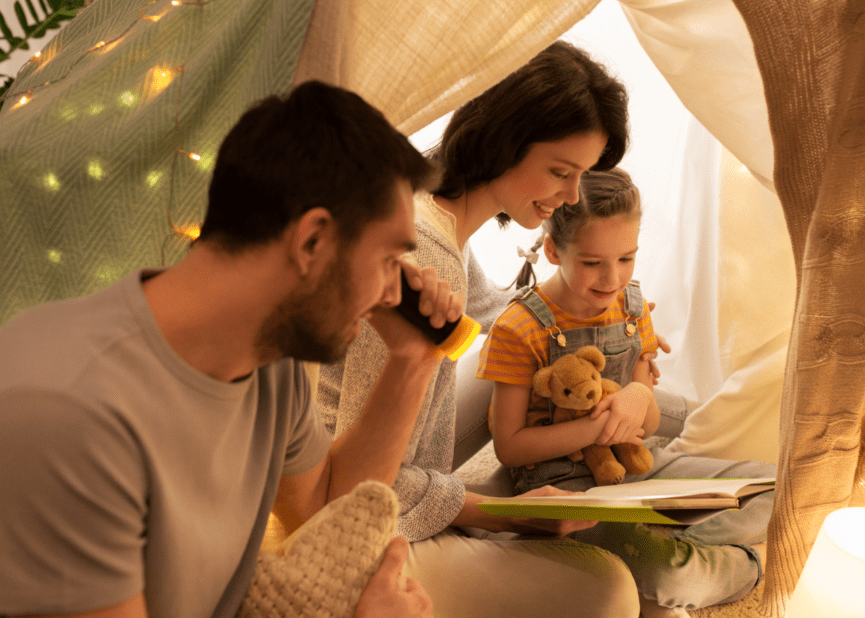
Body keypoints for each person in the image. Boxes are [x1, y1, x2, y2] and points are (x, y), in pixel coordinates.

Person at [0, 81, 461, 618]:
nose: (392, 291)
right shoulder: (68, 414)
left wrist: (412, 361)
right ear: (312, 241)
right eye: (388, 260)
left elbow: (327, 508)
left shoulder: (269, 362)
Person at [315, 40, 643, 617]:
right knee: (611, 590)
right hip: (339, 528)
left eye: (582, 175)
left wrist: (622, 357)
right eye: (561, 173)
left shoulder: (422, 203)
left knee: (518, 364)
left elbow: (496, 317)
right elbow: (362, 490)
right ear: (502, 142)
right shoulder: (427, 253)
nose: (571, 197)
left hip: (375, 467)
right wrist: (501, 512)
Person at [477, 167, 776, 617]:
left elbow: (648, 426)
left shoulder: (632, 306)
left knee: (778, 488)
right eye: (593, 262)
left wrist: (640, 398)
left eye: (626, 258)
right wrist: (596, 428)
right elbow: (510, 447)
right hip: (565, 490)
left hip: (637, 464)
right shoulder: (517, 329)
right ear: (555, 250)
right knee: (669, 574)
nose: (611, 279)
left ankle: (672, 530)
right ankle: (750, 565)